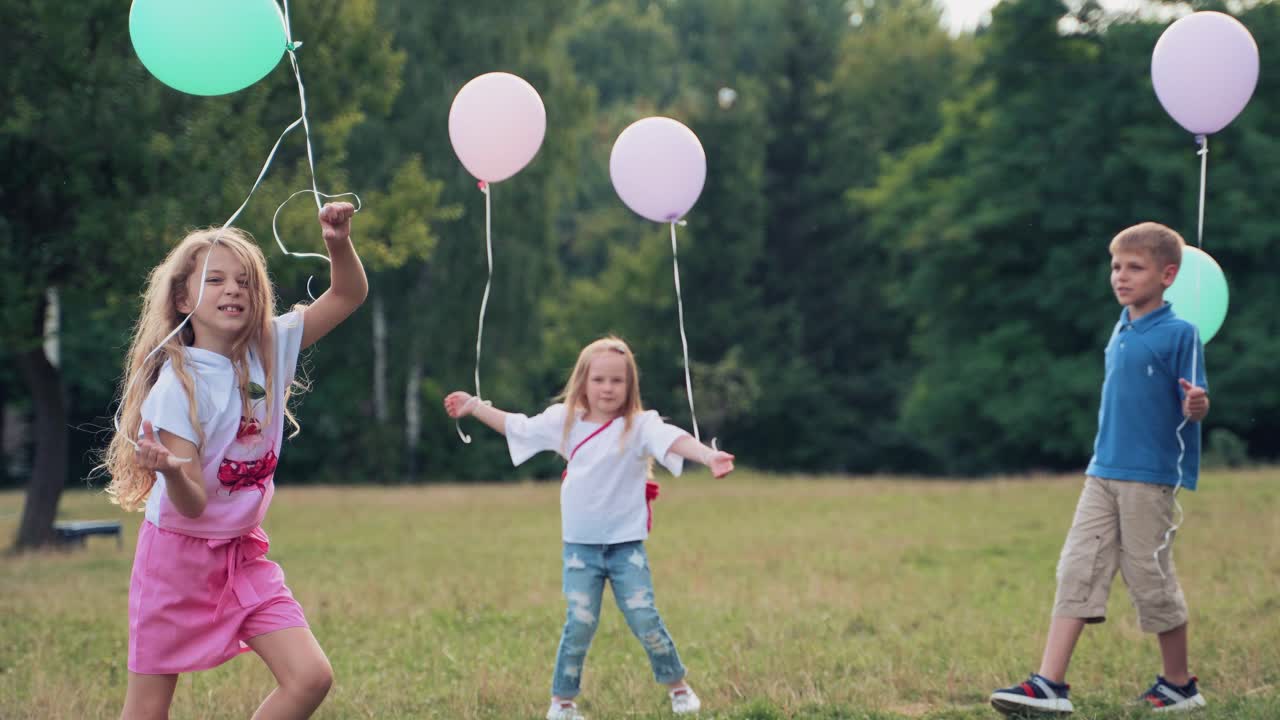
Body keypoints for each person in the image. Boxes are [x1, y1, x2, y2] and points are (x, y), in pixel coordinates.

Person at [102, 202, 367, 719]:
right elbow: (193, 504)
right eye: (216, 279)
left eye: (244, 281)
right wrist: (172, 470)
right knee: (147, 711)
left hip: (242, 554)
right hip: (174, 562)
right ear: (183, 299)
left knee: (310, 676)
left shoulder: (270, 346)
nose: (234, 290)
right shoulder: (177, 388)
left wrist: (337, 243)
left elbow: (348, 295)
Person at [444, 336, 735, 720]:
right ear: (583, 382)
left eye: (617, 380)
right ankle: (562, 703)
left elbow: (674, 439)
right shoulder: (564, 421)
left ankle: (678, 688)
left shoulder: (640, 425)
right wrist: (475, 406)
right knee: (580, 624)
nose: (607, 388)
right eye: (599, 380)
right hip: (580, 549)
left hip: (626, 548)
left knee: (645, 617)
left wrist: (709, 455)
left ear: (630, 385)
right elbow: (518, 427)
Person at [990, 222, 1210, 716]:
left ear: (1168, 275)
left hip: (1149, 479)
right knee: (1077, 568)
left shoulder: (1182, 333)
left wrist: (1196, 404)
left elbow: (1196, 402)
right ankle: (1049, 684)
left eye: (1135, 268)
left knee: (1149, 579)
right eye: (1116, 267)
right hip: (1102, 471)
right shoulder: (1121, 326)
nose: (1121, 277)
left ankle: (1179, 685)